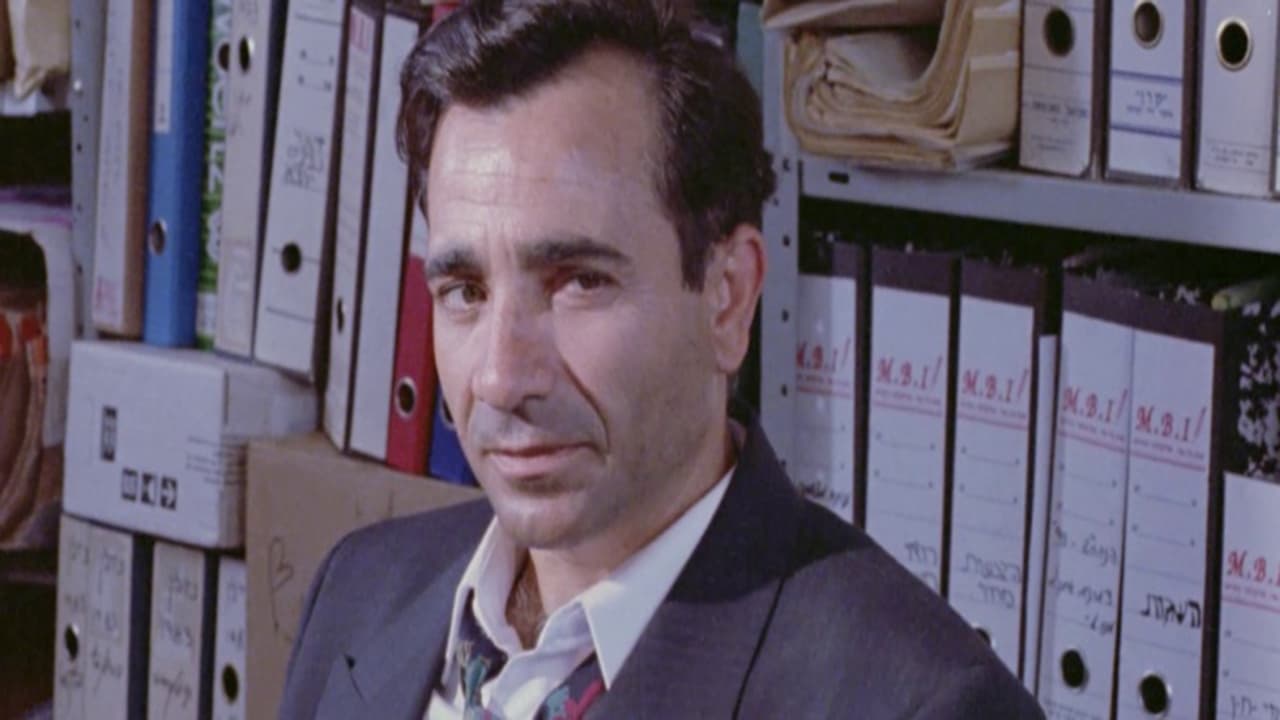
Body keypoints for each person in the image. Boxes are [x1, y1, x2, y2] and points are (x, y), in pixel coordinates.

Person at [279, 1, 1045, 717]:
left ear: (728, 298)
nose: (501, 378)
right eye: (465, 292)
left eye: (579, 282)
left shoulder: (927, 703)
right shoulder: (357, 591)